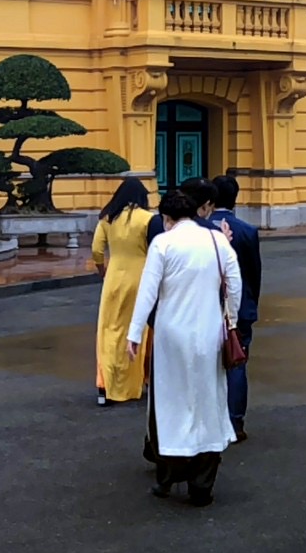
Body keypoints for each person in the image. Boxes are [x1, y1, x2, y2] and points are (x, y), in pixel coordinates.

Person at [134, 174, 247, 502]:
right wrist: (233, 320)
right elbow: (234, 284)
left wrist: (135, 331)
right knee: (206, 399)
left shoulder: (164, 243)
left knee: (170, 403)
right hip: (209, 331)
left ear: (168, 218)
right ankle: (202, 484)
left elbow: (148, 292)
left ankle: (167, 477)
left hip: (171, 333)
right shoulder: (217, 240)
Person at [85, 171, 160, 406]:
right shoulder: (148, 219)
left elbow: (97, 250)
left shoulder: (107, 218)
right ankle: (135, 383)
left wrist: (102, 270)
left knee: (109, 330)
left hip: (114, 278)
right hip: (141, 278)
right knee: (137, 331)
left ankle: (105, 384)